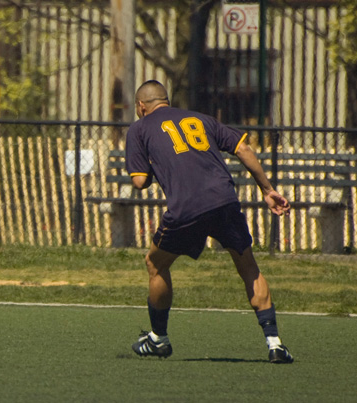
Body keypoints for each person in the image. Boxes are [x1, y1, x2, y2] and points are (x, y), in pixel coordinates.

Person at [125, 80, 294, 364]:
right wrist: (267, 189)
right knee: (248, 267)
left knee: (156, 264)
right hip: (224, 200)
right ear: (166, 100)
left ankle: (158, 338)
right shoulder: (201, 119)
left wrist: (156, 163)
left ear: (141, 106)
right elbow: (244, 149)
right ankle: (275, 343)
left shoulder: (139, 128)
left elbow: (140, 181)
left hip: (186, 208)